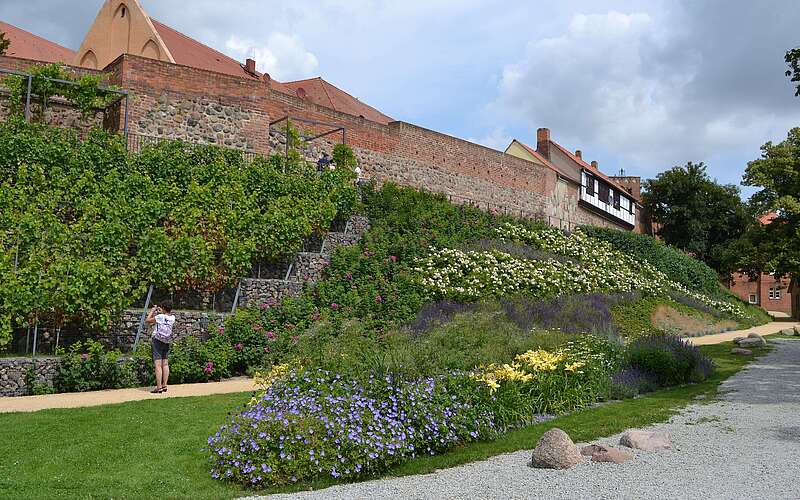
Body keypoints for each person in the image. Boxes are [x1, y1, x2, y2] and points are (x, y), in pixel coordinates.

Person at [145, 300, 176, 394]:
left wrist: (153, 310)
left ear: (163, 308)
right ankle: (164, 385)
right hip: (166, 341)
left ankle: (158, 387)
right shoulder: (172, 317)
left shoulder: (160, 316)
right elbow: (164, 317)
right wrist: (160, 310)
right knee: (165, 364)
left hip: (157, 341)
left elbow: (147, 320)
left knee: (158, 365)